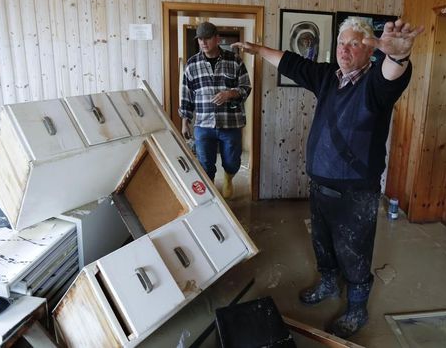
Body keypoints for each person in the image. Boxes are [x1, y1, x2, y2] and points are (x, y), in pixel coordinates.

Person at [232, 17, 423, 338]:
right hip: (321, 183)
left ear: (370, 51)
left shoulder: (375, 84)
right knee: (323, 243)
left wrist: (398, 57)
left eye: (354, 44)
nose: (345, 50)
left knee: (355, 252)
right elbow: (291, 63)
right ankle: (329, 284)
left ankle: (357, 307)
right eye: (341, 43)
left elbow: (392, 75)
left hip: (356, 191)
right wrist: (256, 48)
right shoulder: (327, 77)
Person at [179, 21, 252, 199]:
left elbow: (246, 87)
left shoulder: (234, 61)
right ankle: (211, 198)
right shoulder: (192, 64)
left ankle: (228, 177)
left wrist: (230, 93)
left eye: (207, 38)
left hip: (231, 123)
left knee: (232, 162)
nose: (203, 42)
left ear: (217, 39)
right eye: (200, 39)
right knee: (205, 165)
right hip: (203, 124)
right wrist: (185, 121)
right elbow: (186, 94)